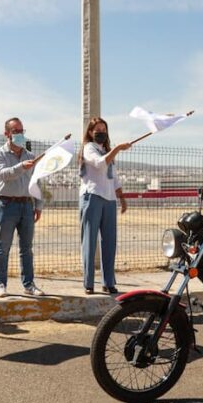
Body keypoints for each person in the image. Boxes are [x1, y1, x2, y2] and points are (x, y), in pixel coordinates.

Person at [0, 117, 44, 298]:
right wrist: (21, 166)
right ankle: (1, 284)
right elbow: (2, 175)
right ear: (7, 134)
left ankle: (29, 284)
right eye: (16, 131)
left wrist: (38, 205)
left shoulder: (30, 156)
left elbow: (37, 181)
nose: (20, 134)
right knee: (3, 247)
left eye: (22, 131)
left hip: (26, 205)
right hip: (7, 205)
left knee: (26, 249)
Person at [79, 117, 132, 294]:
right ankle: (88, 283)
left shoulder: (106, 150)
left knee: (109, 241)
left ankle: (108, 282)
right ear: (90, 132)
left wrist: (121, 197)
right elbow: (100, 164)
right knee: (89, 240)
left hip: (109, 199)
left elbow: (113, 177)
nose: (101, 132)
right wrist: (117, 149)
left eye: (104, 129)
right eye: (98, 130)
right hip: (92, 196)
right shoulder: (89, 148)